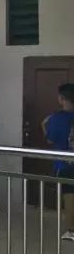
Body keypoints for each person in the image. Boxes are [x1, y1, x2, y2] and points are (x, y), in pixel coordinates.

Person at [43, 84, 74, 242]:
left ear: (62, 98)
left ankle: (71, 231)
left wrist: (43, 125)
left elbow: (50, 139)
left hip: (66, 165)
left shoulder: (57, 118)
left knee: (70, 198)